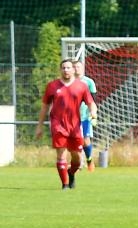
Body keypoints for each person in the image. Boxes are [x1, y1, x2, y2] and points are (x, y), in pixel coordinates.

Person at [36, 59, 97, 190]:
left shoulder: (82, 86)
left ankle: (71, 173)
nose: (66, 70)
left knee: (77, 158)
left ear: (73, 70)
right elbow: (44, 107)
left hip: (75, 126)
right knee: (61, 154)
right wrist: (39, 126)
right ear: (60, 70)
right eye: (63, 68)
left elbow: (91, 103)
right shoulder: (52, 86)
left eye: (68, 67)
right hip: (58, 125)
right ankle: (64, 185)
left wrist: (93, 112)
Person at [73, 60, 97, 172]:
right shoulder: (69, 82)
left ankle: (89, 159)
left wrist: (93, 113)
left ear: (82, 68)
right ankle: (78, 164)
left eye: (78, 66)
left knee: (85, 141)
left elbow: (93, 100)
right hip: (71, 117)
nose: (76, 69)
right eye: (74, 67)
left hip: (85, 116)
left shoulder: (89, 82)